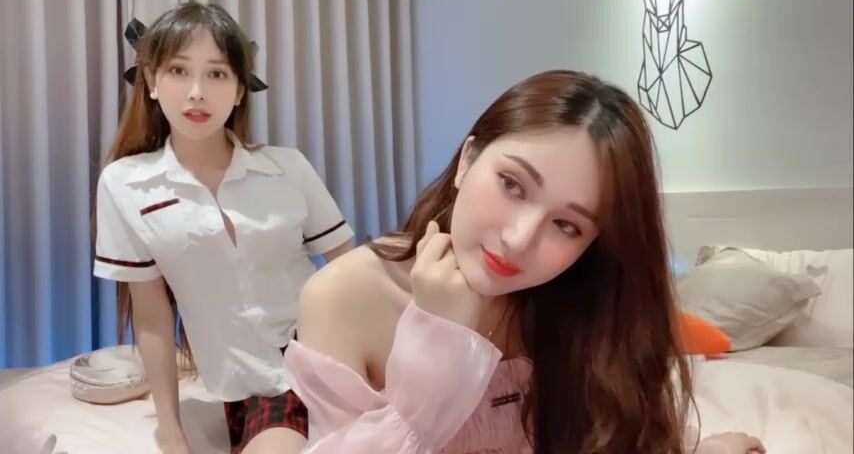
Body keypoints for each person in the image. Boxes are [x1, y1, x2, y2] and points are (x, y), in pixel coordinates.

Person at [283, 70, 766, 453]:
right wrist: (439, 344)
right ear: (468, 160)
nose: (518, 240)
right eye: (512, 185)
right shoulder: (347, 295)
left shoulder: (583, 307)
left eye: (567, 225)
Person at [92, 2, 353, 454]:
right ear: (151, 81)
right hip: (261, 387)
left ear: (238, 90)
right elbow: (152, 317)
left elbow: (350, 273)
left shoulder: (287, 167)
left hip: (339, 355)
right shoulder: (125, 184)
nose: (197, 92)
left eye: (216, 74)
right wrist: (170, 429)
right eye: (178, 71)